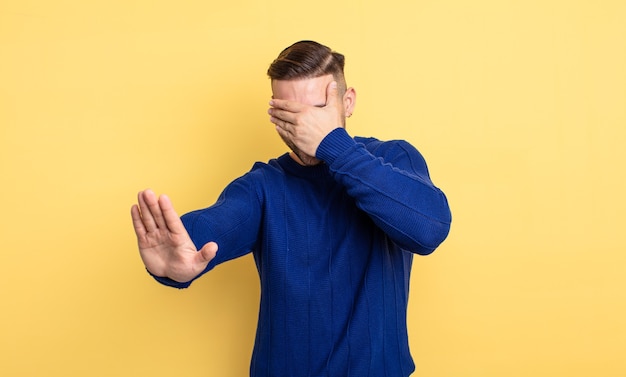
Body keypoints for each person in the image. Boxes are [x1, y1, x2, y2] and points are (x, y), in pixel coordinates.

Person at [131, 40, 452, 377]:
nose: (304, 127)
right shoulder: (263, 185)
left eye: (316, 111)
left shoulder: (394, 160)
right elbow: (215, 225)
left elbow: (429, 229)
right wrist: (175, 260)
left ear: (348, 101)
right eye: (289, 114)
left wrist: (333, 145)